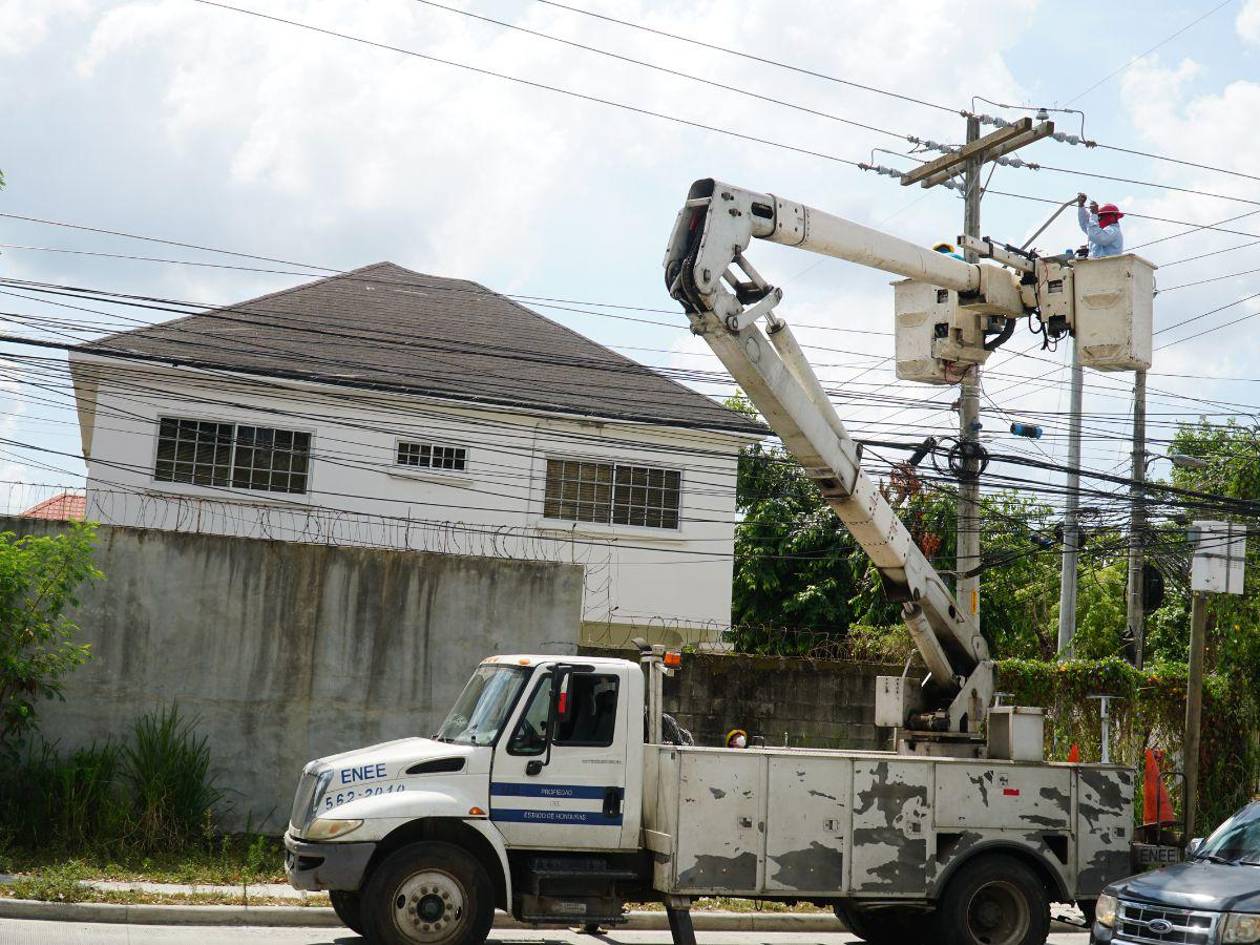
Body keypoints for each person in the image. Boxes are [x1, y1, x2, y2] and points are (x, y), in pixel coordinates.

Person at [1077, 193, 1124, 258]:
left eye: (1099, 216)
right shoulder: (1098, 230)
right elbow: (1085, 224)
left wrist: (1094, 214)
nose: (1098, 219)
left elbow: (1097, 236)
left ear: (1111, 217)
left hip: (1108, 266)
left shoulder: (1114, 230)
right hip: (1097, 265)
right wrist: (1081, 206)